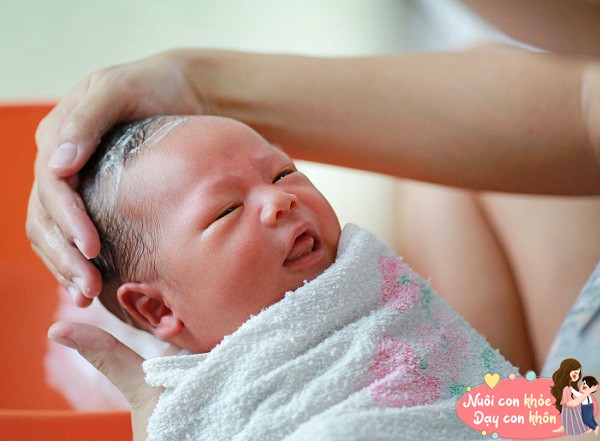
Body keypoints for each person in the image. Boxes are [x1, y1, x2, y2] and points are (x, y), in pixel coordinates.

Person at [51, 114, 515, 440]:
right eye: (227, 210)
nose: (280, 201)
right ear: (158, 308)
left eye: (282, 173)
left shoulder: (375, 288)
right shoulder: (199, 405)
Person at [550, 358, 599, 436]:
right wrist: (587, 393)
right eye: (575, 373)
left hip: (574, 411)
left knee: (579, 419)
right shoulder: (566, 388)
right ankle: (568, 427)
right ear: (567, 371)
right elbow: (570, 404)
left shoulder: (570, 387)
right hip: (570, 409)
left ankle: (569, 427)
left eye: (578, 374)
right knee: (574, 421)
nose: (577, 376)